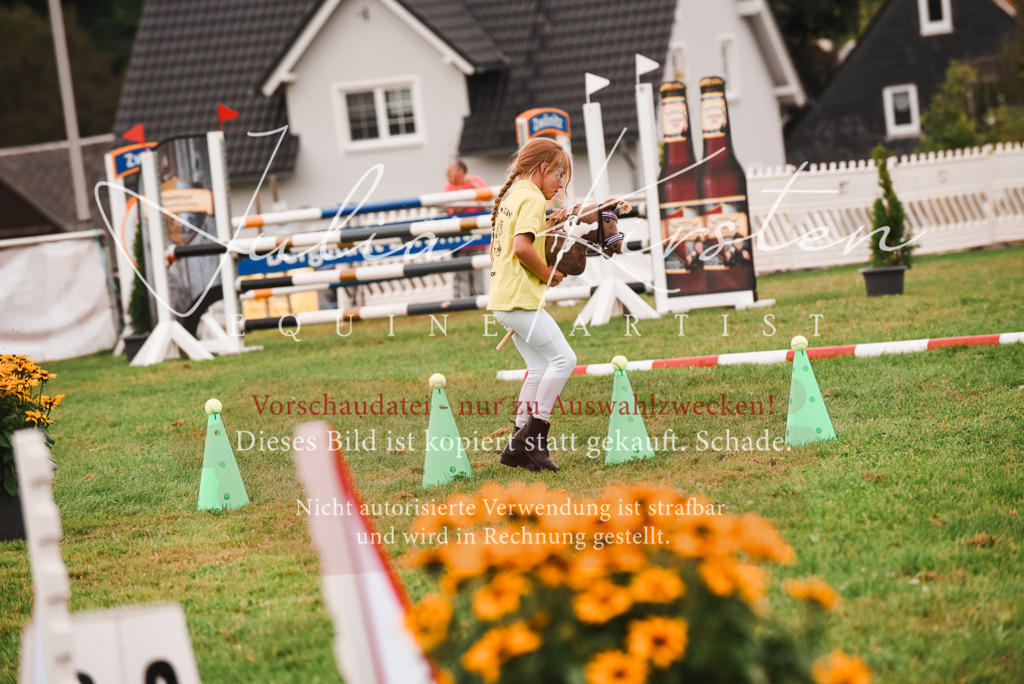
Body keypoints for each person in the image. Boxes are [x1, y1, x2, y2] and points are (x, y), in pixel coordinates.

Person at [489, 138, 574, 472]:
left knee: (539, 367)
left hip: (505, 298)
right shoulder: (532, 199)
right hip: (520, 300)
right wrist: (549, 273)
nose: (561, 183)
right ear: (542, 169)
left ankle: (518, 443)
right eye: (558, 174)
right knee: (565, 359)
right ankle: (532, 437)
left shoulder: (515, 197)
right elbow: (523, 247)